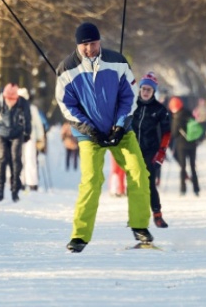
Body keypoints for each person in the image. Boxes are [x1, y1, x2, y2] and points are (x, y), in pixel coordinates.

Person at [56, 22, 152, 253]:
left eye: (93, 43)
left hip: (120, 131)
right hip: (89, 135)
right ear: (78, 46)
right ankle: (80, 236)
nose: (89, 48)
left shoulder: (117, 61)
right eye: (84, 45)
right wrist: (89, 129)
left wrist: (120, 126)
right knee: (91, 181)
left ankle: (140, 226)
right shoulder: (66, 69)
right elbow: (66, 105)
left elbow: (129, 97)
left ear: (100, 41)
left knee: (138, 172)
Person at [131, 72, 171, 228]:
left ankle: (157, 215)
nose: (145, 92)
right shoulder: (133, 105)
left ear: (154, 91)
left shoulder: (159, 109)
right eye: (143, 89)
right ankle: (138, 217)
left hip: (151, 151)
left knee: (149, 184)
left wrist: (161, 152)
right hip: (133, 150)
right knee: (135, 185)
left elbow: (167, 132)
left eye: (149, 89)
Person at [0, 83, 32, 202]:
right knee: (1, 158)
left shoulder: (23, 103)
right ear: (4, 96)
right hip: (0, 134)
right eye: (8, 98)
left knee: (16, 160)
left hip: (17, 133)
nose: (10, 101)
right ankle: (0, 189)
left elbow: (28, 118)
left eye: (13, 99)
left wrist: (27, 133)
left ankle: (15, 190)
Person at [168, 96, 201, 196]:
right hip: (192, 144)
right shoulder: (189, 113)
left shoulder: (176, 118)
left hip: (182, 145)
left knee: (183, 167)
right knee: (192, 166)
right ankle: (196, 189)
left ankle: (183, 189)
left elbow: (174, 133)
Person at [18, 87, 46, 192]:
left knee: (27, 160)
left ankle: (28, 183)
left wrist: (40, 138)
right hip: (24, 137)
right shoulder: (18, 108)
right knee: (25, 160)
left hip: (26, 137)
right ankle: (26, 182)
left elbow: (38, 125)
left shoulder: (30, 108)